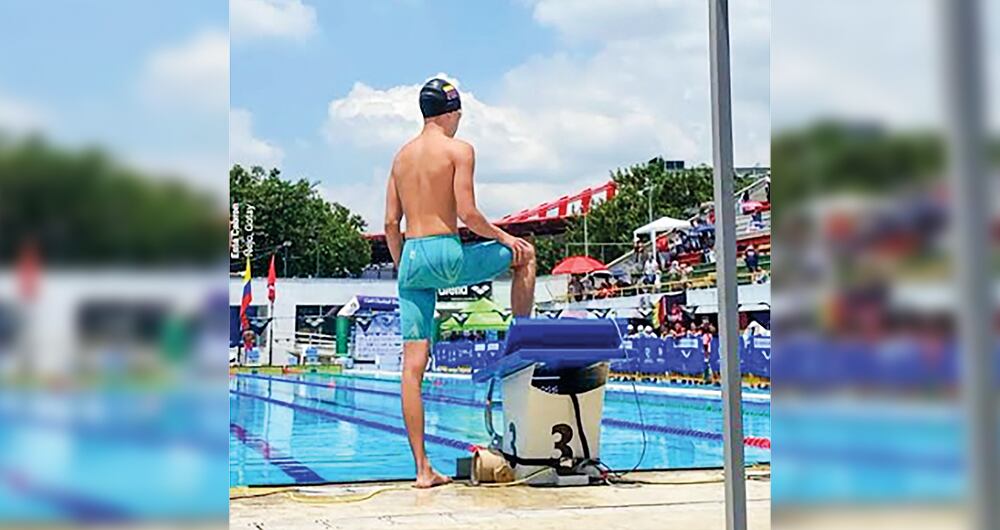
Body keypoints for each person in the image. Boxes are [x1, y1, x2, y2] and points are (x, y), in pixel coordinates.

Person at [383, 78, 536, 488]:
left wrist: (404, 267)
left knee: (411, 370)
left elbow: (388, 224)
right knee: (526, 255)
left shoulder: (400, 157)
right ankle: (522, 341)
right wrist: (505, 237)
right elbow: (468, 214)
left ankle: (422, 471)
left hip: (411, 260)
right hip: (445, 253)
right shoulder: (459, 149)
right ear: (451, 113)